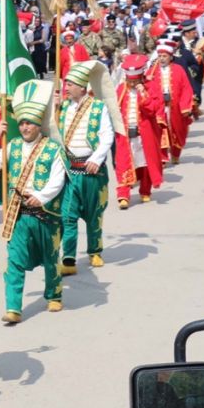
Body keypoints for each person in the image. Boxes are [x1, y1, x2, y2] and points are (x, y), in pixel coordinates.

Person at [0, 80, 67, 323]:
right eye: (21, 123)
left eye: (28, 122)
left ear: (38, 123)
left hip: (45, 213)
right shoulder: (12, 146)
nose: (24, 127)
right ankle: (13, 307)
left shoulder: (53, 148)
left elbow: (57, 179)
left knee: (51, 258)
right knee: (15, 261)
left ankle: (54, 294)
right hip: (17, 214)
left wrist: (40, 197)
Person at [57, 61, 121, 275]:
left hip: (91, 169)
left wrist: (96, 158)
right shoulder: (63, 107)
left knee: (94, 214)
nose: (66, 88)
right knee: (68, 215)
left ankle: (94, 250)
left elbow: (107, 136)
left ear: (82, 87)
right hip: (70, 170)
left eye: (70, 84)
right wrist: (53, 108)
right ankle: (68, 257)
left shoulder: (98, 107)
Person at [114, 55, 164, 209]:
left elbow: (153, 109)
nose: (132, 83)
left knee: (145, 162)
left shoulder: (151, 87)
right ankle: (123, 194)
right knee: (123, 163)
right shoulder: (122, 89)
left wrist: (143, 94)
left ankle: (145, 189)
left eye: (135, 80)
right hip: (125, 134)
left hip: (145, 133)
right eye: (130, 80)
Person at [147, 42, 195, 165]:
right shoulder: (152, 71)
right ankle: (162, 157)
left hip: (175, 108)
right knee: (160, 131)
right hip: (159, 108)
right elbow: (147, 88)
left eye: (164, 56)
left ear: (170, 57)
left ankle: (175, 154)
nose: (162, 59)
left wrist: (185, 107)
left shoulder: (179, 70)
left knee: (177, 131)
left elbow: (186, 89)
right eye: (160, 56)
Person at [172, 18, 204, 112]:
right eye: (193, 31)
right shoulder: (178, 42)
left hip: (195, 75)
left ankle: (193, 109)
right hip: (181, 74)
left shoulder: (198, 42)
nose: (195, 33)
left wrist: (201, 53)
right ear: (186, 33)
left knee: (196, 95)